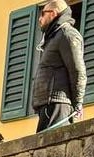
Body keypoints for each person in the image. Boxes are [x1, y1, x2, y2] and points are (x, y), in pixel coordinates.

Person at [32, 0, 86, 132]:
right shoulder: (55, 37)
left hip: (57, 105)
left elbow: (78, 71)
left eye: (42, 14)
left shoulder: (67, 35)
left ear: (53, 13)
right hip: (48, 106)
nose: (39, 19)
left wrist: (78, 103)